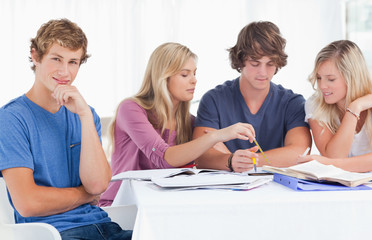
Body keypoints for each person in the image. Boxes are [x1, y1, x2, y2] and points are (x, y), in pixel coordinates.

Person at [0, 19, 132, 239]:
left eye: (73, 62)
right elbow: (28, 203)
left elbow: (98, 185)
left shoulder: (85, 114)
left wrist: (84, 117)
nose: (64, 71)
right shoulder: (12, 118)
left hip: (106, 227)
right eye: (56, 59)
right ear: (35, 56)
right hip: (55, 233)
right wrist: (84, 195)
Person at [99, 42, 257, 206]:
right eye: (185, 75)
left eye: (194, 74)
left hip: (164, 206)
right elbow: (165, 158)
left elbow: (212, 155)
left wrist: (234, 159)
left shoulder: (189, 122)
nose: (194, 80)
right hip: (123, 208)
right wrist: (218, 135)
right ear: (163, 77)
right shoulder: (131, 109)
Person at [193, 21, 312, 173]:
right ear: (240, 60)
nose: (263, 72)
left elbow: (300, 153)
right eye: (255, 63)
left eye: (270, 63)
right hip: (224, 192)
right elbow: (201, 155)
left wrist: (238, 160)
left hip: (277, 190)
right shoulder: (214, 100)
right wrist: (232, 160)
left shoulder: (292, 103)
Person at [297, 40, 372, 172]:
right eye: (319, 77)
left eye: (331, 79)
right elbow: (334, 155)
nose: (322, 86)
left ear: (352, 78)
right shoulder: (315, 104)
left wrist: (328, 164)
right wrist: (354, 109)